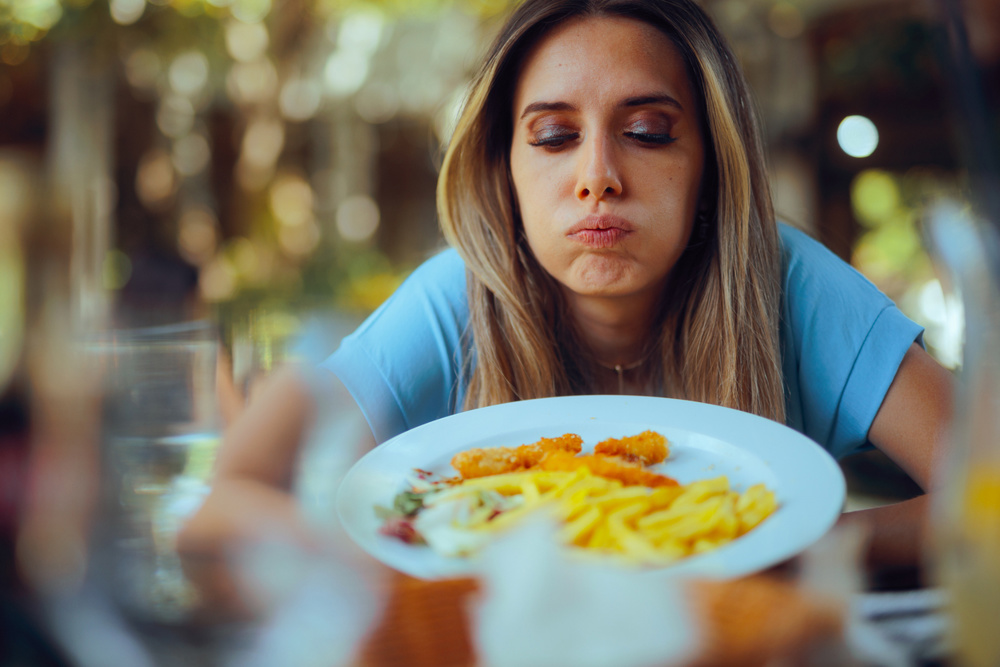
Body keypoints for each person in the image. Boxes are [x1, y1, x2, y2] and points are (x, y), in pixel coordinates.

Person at [178, 0, 953, 613]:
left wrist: (805, 547)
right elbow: (219, 511)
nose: (597, 176)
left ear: (711, 166)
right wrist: (403, 565)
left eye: (647, 132)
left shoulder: (793, 285)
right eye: (553, 136)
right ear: (503, 170)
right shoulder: (453, 302)